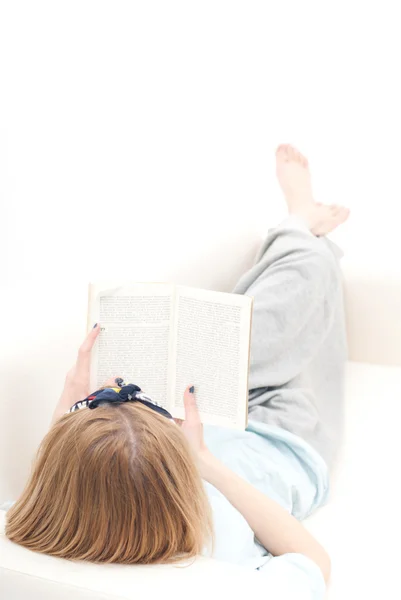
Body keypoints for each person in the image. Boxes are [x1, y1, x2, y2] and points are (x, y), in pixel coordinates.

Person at [5, 144, 350, 598]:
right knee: (294, 300)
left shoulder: (35, 526)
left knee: (258, 318)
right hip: (277, 437)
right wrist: (206, 461)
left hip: (198, 430)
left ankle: (296, 236)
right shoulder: (216, 552)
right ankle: (299, 229)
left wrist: (73, 400)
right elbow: (313, 562)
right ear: (178, 475)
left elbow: (50, 489)